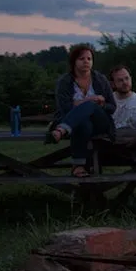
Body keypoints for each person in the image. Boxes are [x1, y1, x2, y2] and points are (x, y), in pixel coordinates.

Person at [47, 44, 116, 177]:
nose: (86, 61)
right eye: (81, 59)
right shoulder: (65, 81)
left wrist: (99, 104)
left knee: (91, 106)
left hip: (100, 122)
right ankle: (78, 166)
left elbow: (112, 107)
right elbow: (65, 108)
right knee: (84, 122)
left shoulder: (100, 79)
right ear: (73, 62)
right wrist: (89, 99)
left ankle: (61, 130)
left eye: (89, 59)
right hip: (78, 123)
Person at [109, 64, 136, 131]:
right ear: (112, 84)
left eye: (127, 78)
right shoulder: (108, 100)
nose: (125, 82)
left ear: (131, 78)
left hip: (134, 140)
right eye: (120, 80)